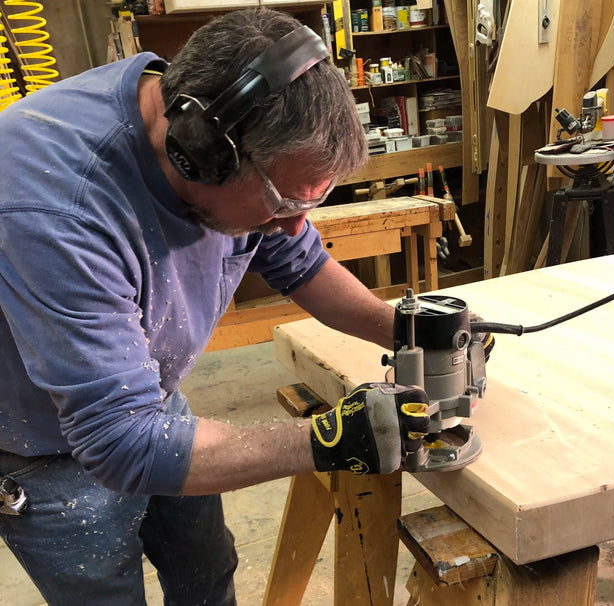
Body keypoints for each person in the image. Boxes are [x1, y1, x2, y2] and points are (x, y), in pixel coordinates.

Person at [0, 8, 430, 605]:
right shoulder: (57, 206)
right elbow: (120, 442)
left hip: (147, 400)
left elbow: (299, 262)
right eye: (282, 200)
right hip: (43, 444)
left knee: (206, 569)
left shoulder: (219, 123)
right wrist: (329, 438)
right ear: (197, 153)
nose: (295, 222)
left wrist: (407, 329)